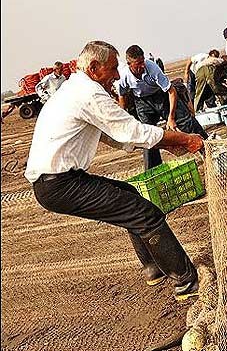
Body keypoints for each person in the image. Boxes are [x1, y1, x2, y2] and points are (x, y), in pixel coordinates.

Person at [24, 40, 203, 301]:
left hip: (54, 183)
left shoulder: (74, 90)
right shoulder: (89, 94)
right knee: (146, 214)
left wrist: (166, 143)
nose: (118, 76)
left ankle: (154, 269)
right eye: (113, 69)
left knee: (131, 196)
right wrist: (184, 139)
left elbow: (115, 136)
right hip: (59, 184)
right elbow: (133, 132)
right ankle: (186, 281)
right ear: (94, 68)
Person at [117, 45, 208, 171]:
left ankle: (209, 151)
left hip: (161, 96)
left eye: (143, 62)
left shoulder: (152, 68)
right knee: (147, 136)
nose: (142, 66)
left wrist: (171, 118)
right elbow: (122, 95)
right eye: (138, 64)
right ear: (129, 64)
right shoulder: (124, 76)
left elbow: (171, 91)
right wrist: (123, 115)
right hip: (142, 102)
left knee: (187, 123)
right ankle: (154, 170)